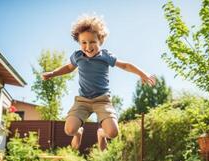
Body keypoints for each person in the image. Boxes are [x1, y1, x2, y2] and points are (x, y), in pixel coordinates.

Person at [42, 15, 156, 151]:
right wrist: (53, 73)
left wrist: (142, 74)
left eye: (92, 42)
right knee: (70, 130)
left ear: (100, 40)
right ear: (79, 42)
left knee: (113, 132)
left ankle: (101, 134)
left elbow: (125, 65)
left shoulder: (105, 56)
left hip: (102, 100)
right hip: (82, 101)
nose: (88, 46)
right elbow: (68, 67)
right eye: (83, 42)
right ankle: (79, 132)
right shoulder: (78, 56)